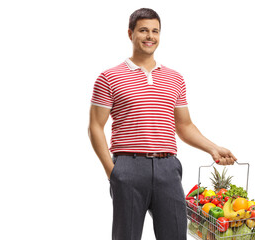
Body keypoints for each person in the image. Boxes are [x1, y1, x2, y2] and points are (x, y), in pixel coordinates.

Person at [88, 8, 237, 240]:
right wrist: (113, 172)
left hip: (168, 168)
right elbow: (95, 127)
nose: (150, 36)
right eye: (143, 30)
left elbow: (185, 125)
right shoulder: (109, 77)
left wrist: (212, 147)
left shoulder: (175, 78)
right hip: (128, 166)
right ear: (130, 34)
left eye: (155, 31)